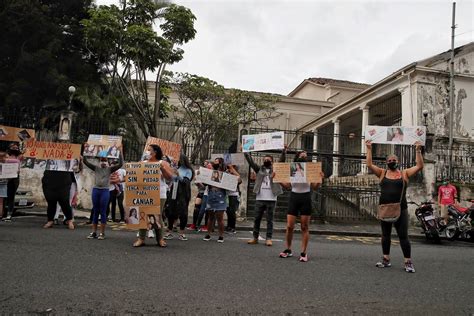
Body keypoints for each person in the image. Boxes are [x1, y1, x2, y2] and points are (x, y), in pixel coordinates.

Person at [366, 140, 423, 273]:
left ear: (398, 161)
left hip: (400, 209)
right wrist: (369, 149)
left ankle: (408, 262)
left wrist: (418, 150)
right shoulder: (382, 173)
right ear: (387, 162)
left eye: (394, 159)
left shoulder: (405, 173)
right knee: (385, 235)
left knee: (403, 236)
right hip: (385, 209)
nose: (392, 161)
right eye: (390, 160)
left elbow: (419, 166)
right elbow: (369, 164)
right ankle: (386, 259)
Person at [279, 149, 323, 262]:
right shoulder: (292, 168)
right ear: (297, 156)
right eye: (302, 153)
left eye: (306, 154)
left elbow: (314, 187)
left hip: (305, 198)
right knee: (289, 226)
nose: (304, 154)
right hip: (294, 197)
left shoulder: (310, 169)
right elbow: (288, 186)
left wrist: (320, 179)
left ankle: (303, 253)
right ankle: (288, 250)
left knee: (304, 227)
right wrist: (278, 179)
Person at [133, 144, 174, 248]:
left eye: (149, 150)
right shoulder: (143, 163)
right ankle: (141, 239)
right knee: (143, 215)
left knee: (157, 216)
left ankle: (160, 239)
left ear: (155, 152)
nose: (147, 152)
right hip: (145, 192)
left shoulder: (162, 163)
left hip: (159, 193)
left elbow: (170, 178)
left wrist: (162, 169)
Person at [245, 152, 284, 246]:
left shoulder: (275, 169)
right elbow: (251, 162)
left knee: (270, 220)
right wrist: (245, 152)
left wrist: (284, 151)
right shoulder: (259, 169)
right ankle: (255, 237)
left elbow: (281, 161)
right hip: (260, 198)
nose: (266, 160)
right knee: (257, 219)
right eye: (265, 159)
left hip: (272, 198)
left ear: (272, 161)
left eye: (268, 159)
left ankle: (269, 238)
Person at [84, 154, 123, 240]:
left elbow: (120, 164)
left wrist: (120, 152)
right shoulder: (96, 168)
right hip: (96, 190)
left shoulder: (110, 169)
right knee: (95, 211)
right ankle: (94, 232)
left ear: (108, 163)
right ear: (99, 162)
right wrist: (85, 149)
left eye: (105, 160)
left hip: (105, 191)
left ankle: (102, 233)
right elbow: (85, 161)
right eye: (101, 160)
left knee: (103, 212)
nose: (103, 162)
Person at [203, 158, 239, 243]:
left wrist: (231, 168)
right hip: (211, 194)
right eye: (214, 161)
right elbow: (203, 184)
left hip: (220, 196)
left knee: (220, 217)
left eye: (216, 161)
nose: (214, 163)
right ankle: (208, 234)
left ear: (220, 163)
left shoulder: (225, 173)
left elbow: (238, 179)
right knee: (210, 216)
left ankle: (221, 236)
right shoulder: (210, 173)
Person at [164, 154, 194, 241]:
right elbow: (171, 179)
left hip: (183, 193)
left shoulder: (188, 170)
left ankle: (182, 232)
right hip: (174, 191)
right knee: (171, 211)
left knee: (183, 212)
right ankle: (169, 231)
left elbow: (186, 182)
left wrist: (178, 175)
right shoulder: (176, 168)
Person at [54, 159, 82, 225]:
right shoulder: (64, 160)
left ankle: (66, 218)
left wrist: (80, 162)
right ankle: (55, 217)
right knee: (59, 199)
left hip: (72, 182)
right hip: (63, 181)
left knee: (69, 200)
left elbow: (78, 170)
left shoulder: (76, 161)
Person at [2, 143, 22, 222]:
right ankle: (2, 213)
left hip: (14, 178)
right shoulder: (5, 156)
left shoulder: (19, 157)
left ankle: (9, 214)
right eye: (13, 147)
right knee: (2, 197)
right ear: (9, 148)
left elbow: (26, 150)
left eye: (16, 147)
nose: (15, 148)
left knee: (11, 197)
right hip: (5, 178)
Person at [225, 164, 241, 234]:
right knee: (228, 211)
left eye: (231, 168)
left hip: (234, 195)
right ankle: (228, 226)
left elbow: (240, 180)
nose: (229, 169)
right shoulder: (227, 173)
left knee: (232, 211)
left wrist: (232, 169)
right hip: (227, 195)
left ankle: (233, 227)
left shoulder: (236, 175)